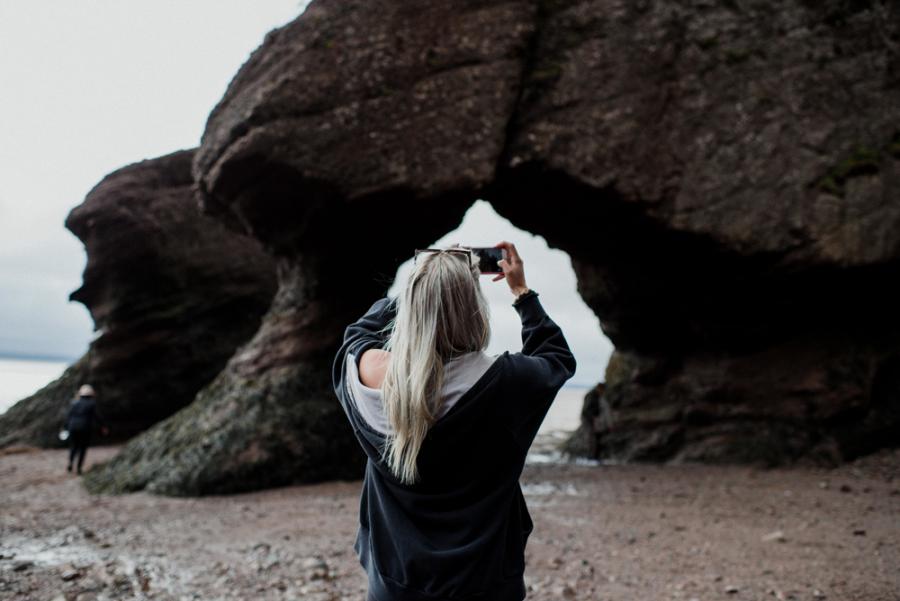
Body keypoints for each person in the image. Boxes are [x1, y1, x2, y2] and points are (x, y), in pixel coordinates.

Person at [332, 240, 577, 600]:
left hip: (394, 582)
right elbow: (556, 357)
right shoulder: (505, 381)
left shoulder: (365, 373)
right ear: (475, 309)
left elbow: (358, 332)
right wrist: (522, 292)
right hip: (485, 583)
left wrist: (427, 278)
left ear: (415, 304)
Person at [64, 383, 109, 475]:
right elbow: (97, 417)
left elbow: (69, 416)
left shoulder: (74, 403)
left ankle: (70, 463)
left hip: (73, 427)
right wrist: (103, 426)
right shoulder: (92, 404)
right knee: (82, 448)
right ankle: (79, 468)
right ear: (91, 394)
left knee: (74, 446)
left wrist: (65, 427)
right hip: (85, 428)